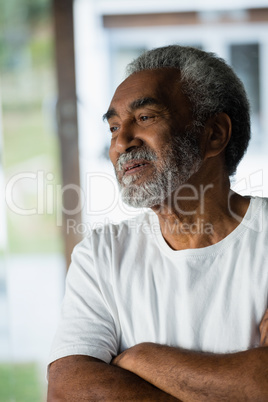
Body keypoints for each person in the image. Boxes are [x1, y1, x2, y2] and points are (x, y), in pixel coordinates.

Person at [47, 45, 268, 401]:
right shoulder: (100, 255)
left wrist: (139, 358)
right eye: (114, 126)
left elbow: (262, 382)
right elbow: (67, 388)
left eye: (145, 117)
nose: (120, 142)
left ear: (214, 134)